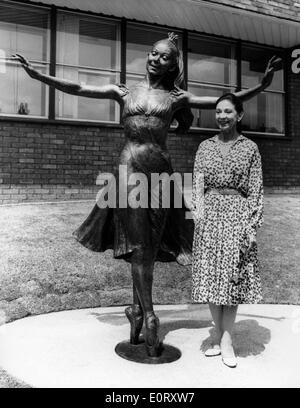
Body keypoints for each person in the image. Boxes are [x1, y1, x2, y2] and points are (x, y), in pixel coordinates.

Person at [12, 33, 280, 359]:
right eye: (153, 53)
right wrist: (38, 76)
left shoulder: (177, 97)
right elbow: (80, 88)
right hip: (129, 168)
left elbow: (223, 100)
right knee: (139, 243)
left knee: (150, 245)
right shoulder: (123, 90)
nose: (155, 59)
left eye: (164, 57)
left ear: (172, 65)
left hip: (161, 171)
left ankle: (136, 312)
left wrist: (263, 85)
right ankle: (150, 316)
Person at [191, 93, 264, 368]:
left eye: (228, 112)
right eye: (218, 111)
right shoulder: (204, 147)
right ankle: (219, 335)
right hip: (209, 217)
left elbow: (256, 188)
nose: (222, 116)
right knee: (211, 279)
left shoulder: (250, 148)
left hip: (237, 215)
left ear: (239, 116)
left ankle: (226, 340)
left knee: (232, 280)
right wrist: (198, 218)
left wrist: (251, 224)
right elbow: (197, 185)